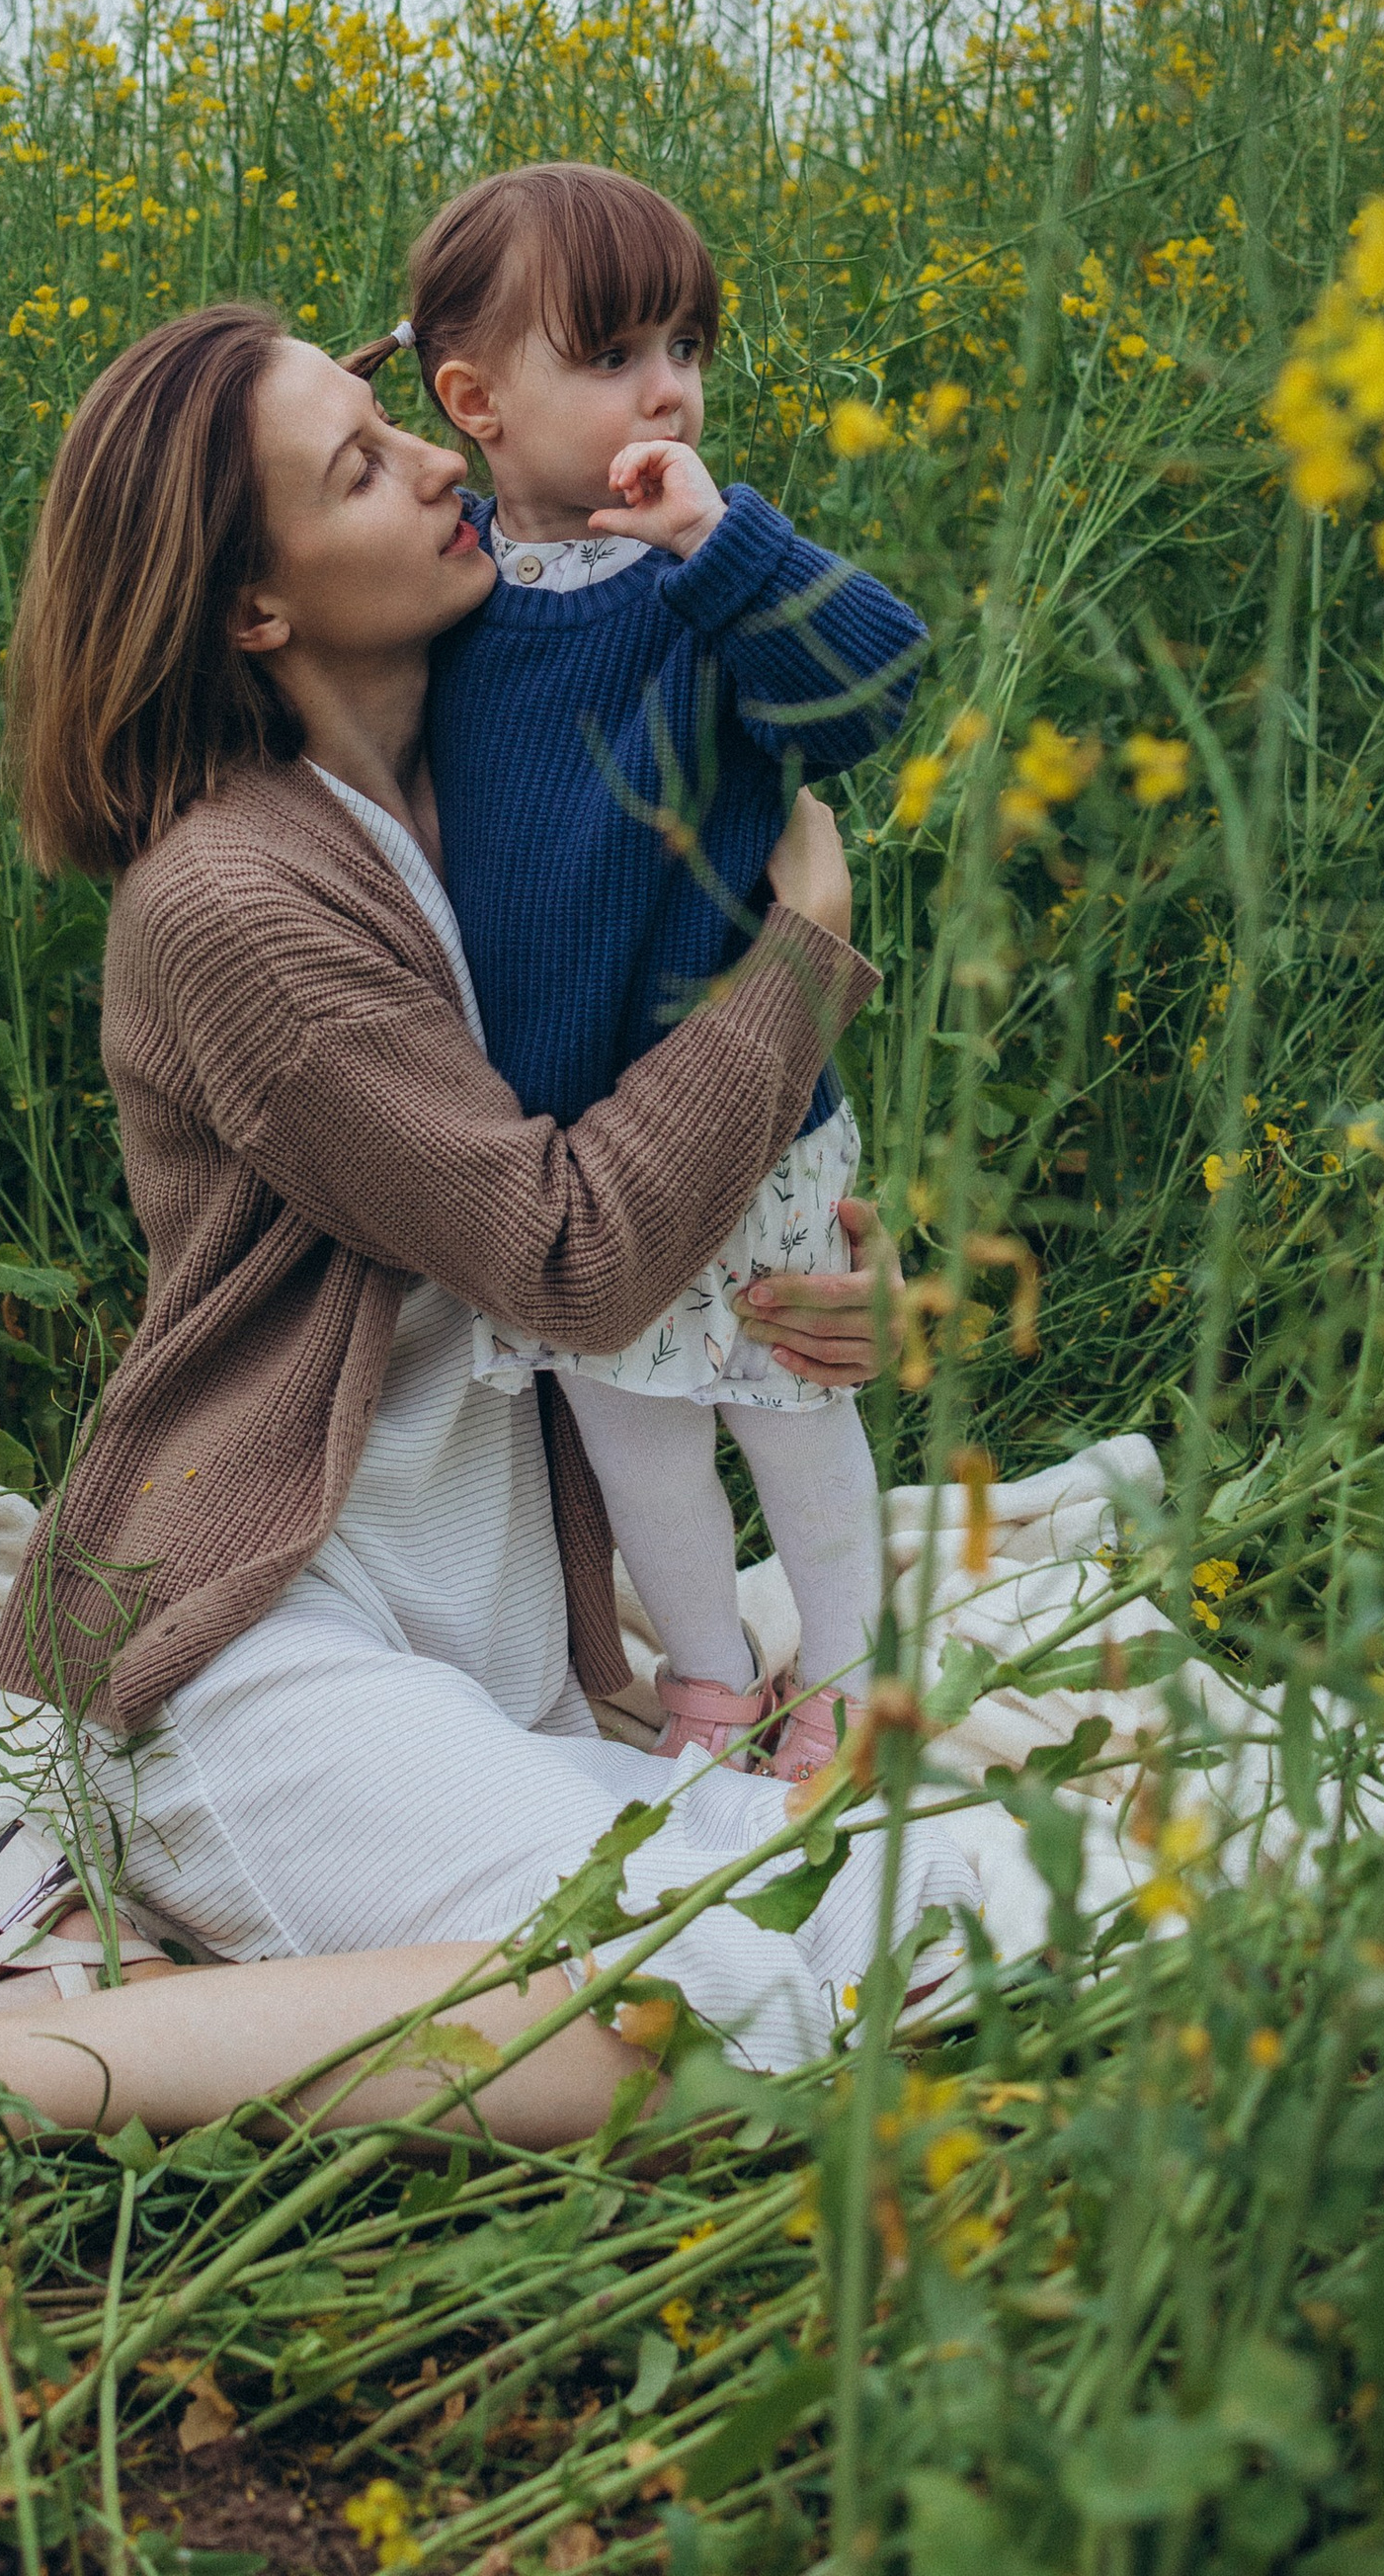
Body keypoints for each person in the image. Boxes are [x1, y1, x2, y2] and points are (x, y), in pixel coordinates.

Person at [0, 303, 969, 2386]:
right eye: (357, 467)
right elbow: (564, 1250)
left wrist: (808, 1291)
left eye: (395, 431)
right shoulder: (228, 905)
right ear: (250, 602)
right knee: (723, 2009)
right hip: (260, 1641)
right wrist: (796, 956)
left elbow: (659, 1177)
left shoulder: (488, 808)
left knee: (893, 1891)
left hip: (501, 1642)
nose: (436, 466)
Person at [363, 161, 924, 1779]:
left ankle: (851, 1669)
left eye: (685, 340)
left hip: (747, 1111)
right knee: (639, 1437)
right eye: (609, 351)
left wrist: (724, 542)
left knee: (792, 1407)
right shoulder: (449, 592)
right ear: (470, 399)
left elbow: (871, 691)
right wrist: (336, 397)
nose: (668, 381)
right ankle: (706, 1678)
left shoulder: (708, 588)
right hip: (565, 1143)